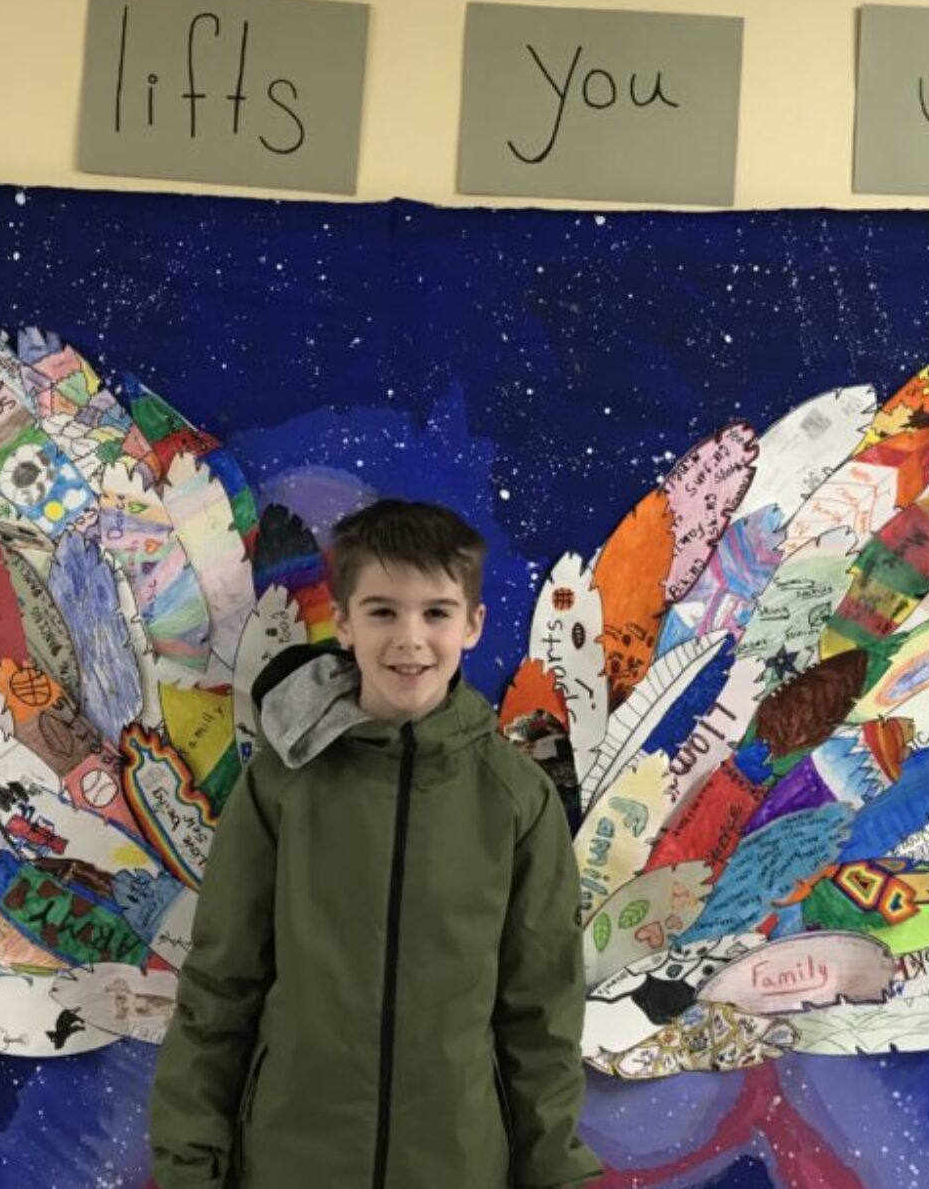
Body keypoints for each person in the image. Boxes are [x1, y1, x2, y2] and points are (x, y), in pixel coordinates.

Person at [149, 499, 602, 1188]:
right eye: (384, 610)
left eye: (437, 612)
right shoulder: (284, 783)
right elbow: (220, 985)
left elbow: (541, 1017)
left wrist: (554, 1174)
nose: (410, 639)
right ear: (344, 621)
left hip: (458, 1165)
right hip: (290, 1163)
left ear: (473, 624)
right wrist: (189, 1167)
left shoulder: (518, 799)